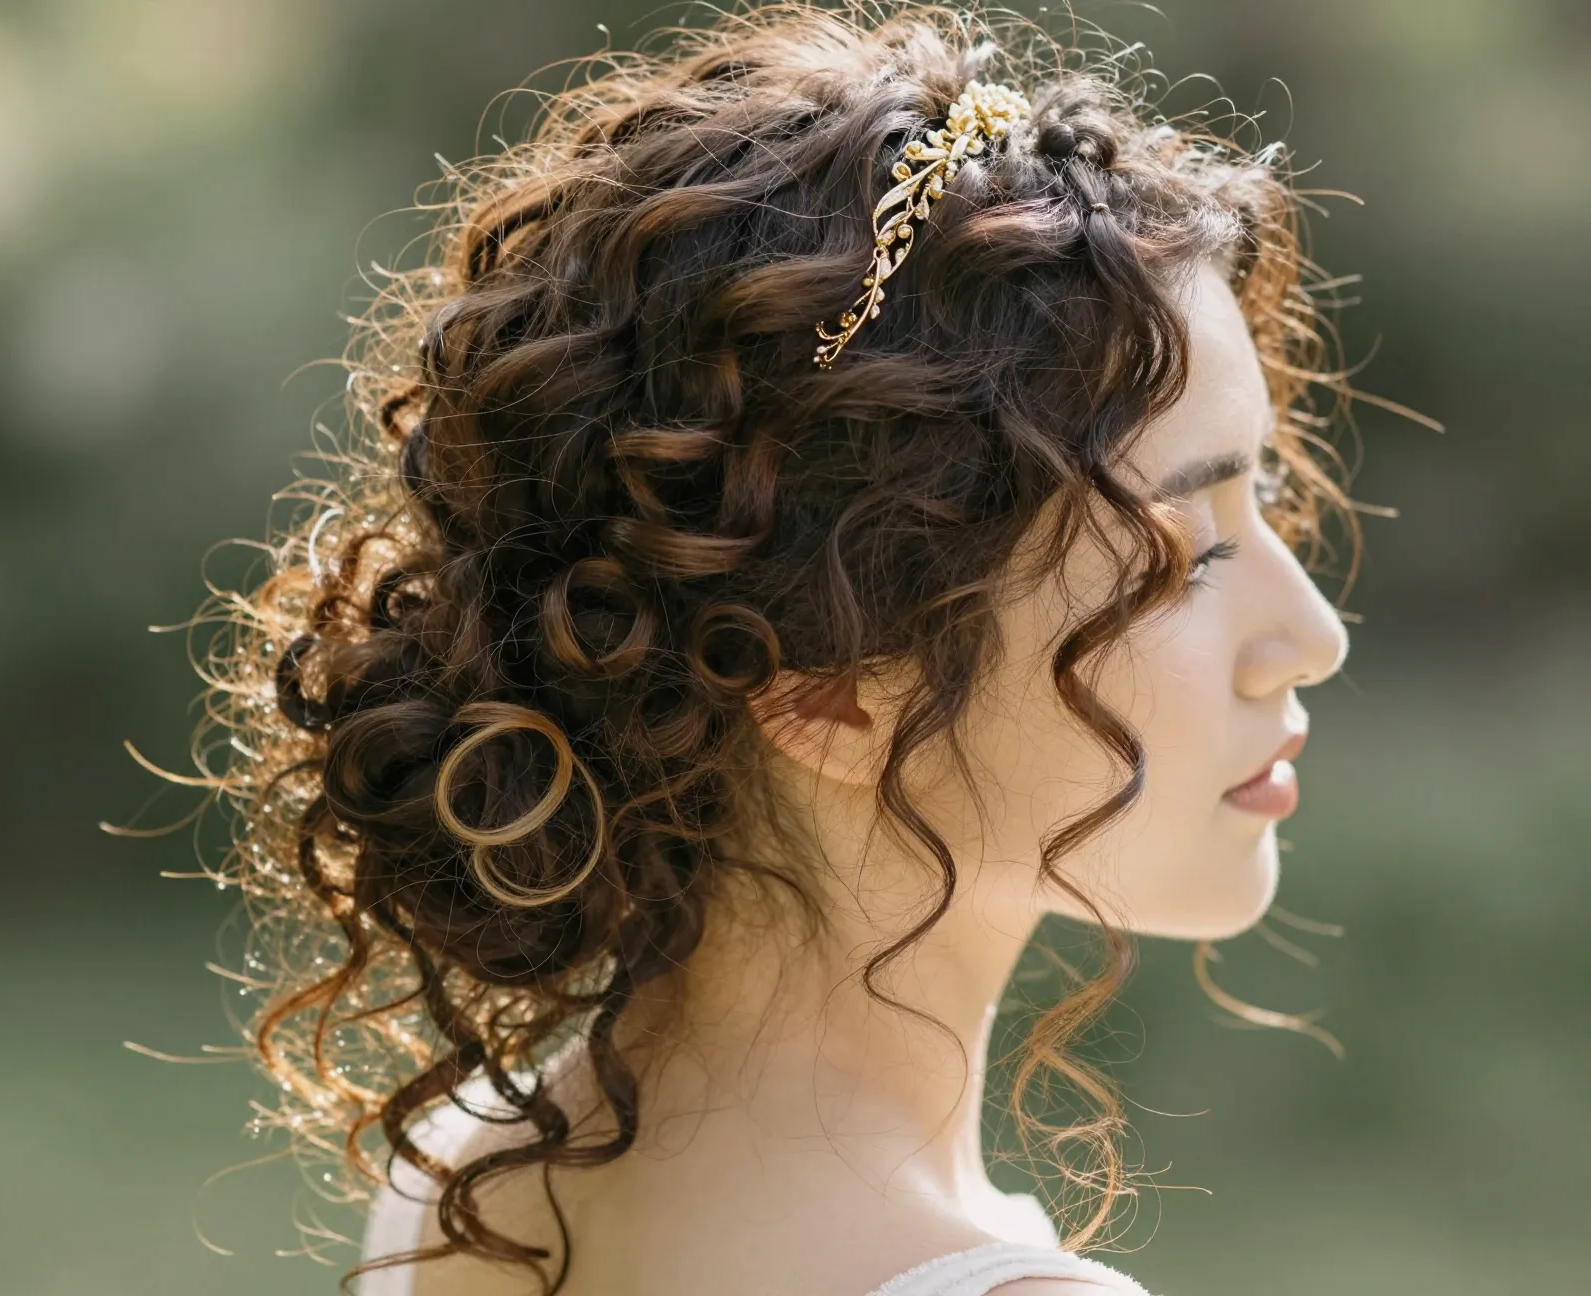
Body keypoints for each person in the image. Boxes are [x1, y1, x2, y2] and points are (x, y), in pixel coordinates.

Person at [177, 3, 1370, 1292]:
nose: (1313, 637)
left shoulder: (469, 1187)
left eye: (1266, 507)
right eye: (1183, 554)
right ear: (833, 690)